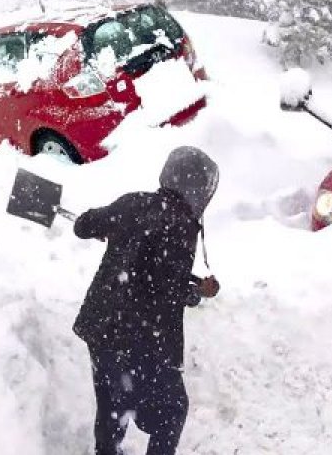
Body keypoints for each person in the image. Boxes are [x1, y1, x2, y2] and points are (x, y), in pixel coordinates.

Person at [73, 146, 221, 455]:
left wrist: (108, 229)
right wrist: (197, 292)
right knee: (173, 409)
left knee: (112, 399)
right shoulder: (182, 226)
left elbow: (83, 225)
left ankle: (107, 450)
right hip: (139, 335)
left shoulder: (134, 203)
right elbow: (168, 288)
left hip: (101, 323)